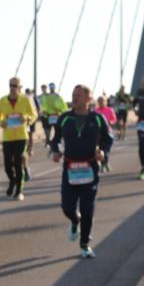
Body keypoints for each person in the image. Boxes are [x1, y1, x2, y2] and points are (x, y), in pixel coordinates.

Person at [51, 84, 113, 259]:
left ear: (88, 98)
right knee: (67, 207)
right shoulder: (64, 118)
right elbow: (55, 139)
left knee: (87, 209)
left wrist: (103, 152)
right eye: (73, 95)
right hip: (70, 168)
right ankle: (74, 221)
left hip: (90, 168)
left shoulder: (98, 119)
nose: (74, 98)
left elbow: (108, 139)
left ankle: (85, 244)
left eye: (78, 95)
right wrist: (56, 150)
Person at [0, 77, 37, 200]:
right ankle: (13, 180)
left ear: (19, 87)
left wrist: (26, 118)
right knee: (7, 166)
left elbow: (34, 114)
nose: (13, 88)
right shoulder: (3, 100)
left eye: (15, 86)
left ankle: (19, 190)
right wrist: (1, 122)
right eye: (11, 85)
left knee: (18, 163)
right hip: (8, 137)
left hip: (21, 136)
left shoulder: (25, 100)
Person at [40, 82, 68, 148]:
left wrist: (60, 111)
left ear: (54, 88)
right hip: (48, 116)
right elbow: (43, 105)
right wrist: (44, 112)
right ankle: (48, 141)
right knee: (47, 130)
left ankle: (56, 142)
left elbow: (64, 107)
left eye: (53, 87)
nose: (52, 89)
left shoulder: (58, 96)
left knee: (57, 130)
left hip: (56, 116)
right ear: (49, 88)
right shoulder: (46, 96)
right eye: (50, 87)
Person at [94, 95, 117, 172]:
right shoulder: (95, 111)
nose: (101, 103)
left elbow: (114, 119)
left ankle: (105, 163)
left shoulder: (110, 110)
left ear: (106, 102)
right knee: (100, 150)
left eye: (102, 101)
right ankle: (104, 164)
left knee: (106, 150)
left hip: (108, 133)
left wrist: (111, 122)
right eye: (99, 101)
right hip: (98, 134)